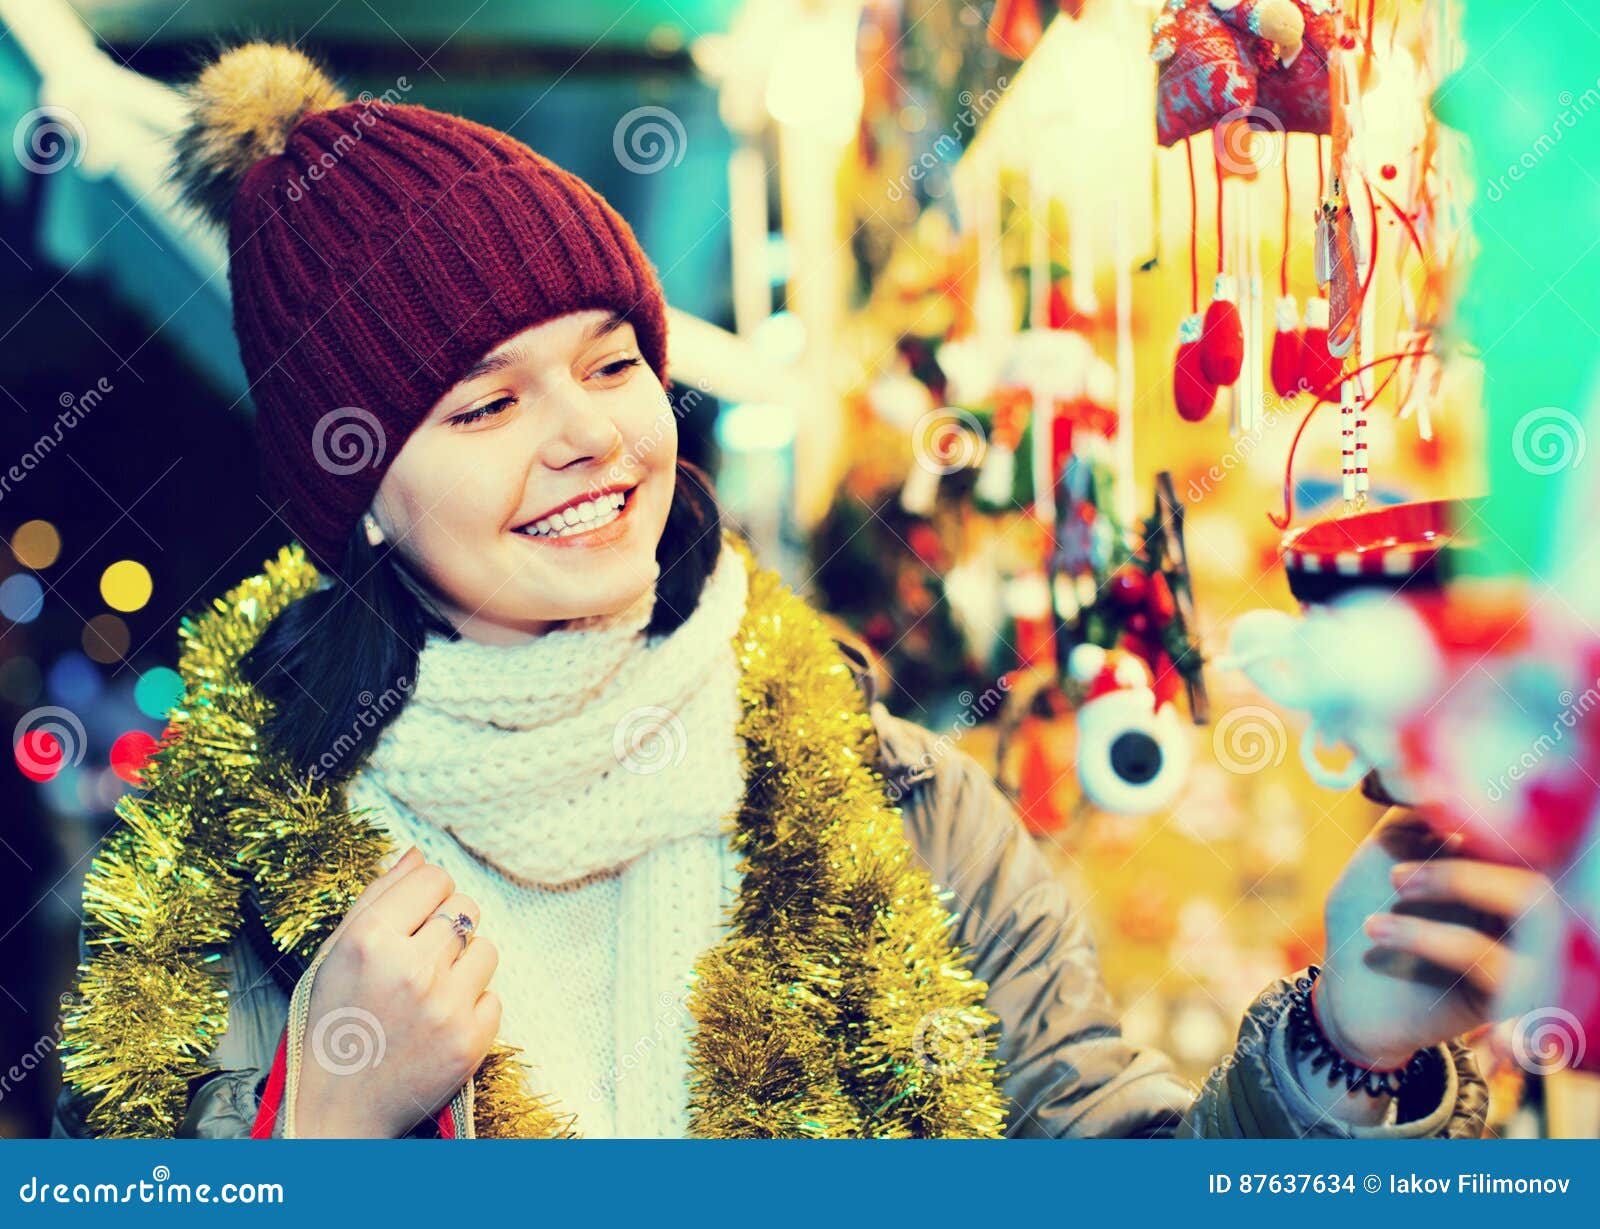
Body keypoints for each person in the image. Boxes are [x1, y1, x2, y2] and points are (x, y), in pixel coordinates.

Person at [54, 42, 1553, 1140]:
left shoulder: (905, 805)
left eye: (611, 360)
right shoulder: (231, 870)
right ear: (359, 492)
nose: (589, 434)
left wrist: (1341, 1048)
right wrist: (319, 1121)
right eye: (484, 405)